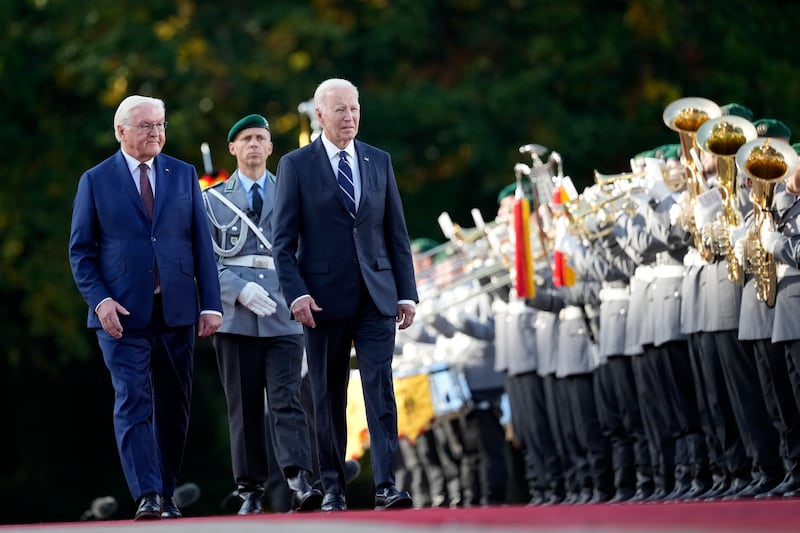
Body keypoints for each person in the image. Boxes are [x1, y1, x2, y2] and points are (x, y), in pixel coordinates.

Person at [68, 95, 223, 520]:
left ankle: (166, 492)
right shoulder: (95, 180)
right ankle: (148, 494)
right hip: (121, 315)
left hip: (176, 310)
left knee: (175, 405)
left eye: (160, 125)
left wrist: (211, 304)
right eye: (145, 126)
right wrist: (99, 302)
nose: (156, 133)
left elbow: (201, 246)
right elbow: (81, 252)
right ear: (121, 131)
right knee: (133, 399)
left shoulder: (184, 173)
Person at [272, 78, 418, 512]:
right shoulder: (295, 165)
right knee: (327, 394)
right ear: (319, 115)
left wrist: (406, 293)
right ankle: (333, 486)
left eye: (354, 108)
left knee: (380, 387)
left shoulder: (378, 160)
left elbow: (397, 233)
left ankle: (387, 484)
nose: (349, 117)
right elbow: (283, 242)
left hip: (377, 296)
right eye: (339, 110)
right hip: (320, 300)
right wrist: (296, 294)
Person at [203, 114, 322, 514]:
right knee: (245, 405)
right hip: (236, 315)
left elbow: (308, 252)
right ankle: (250, 490)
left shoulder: (293, 195)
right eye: (246, 139)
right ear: (232, 148)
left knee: (288, 400)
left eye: (261, 138)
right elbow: (200, 260)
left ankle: (299, 479)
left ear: (271, 148)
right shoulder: (212, 199)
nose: (254, 144)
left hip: (283, 309)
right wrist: (236, 290)